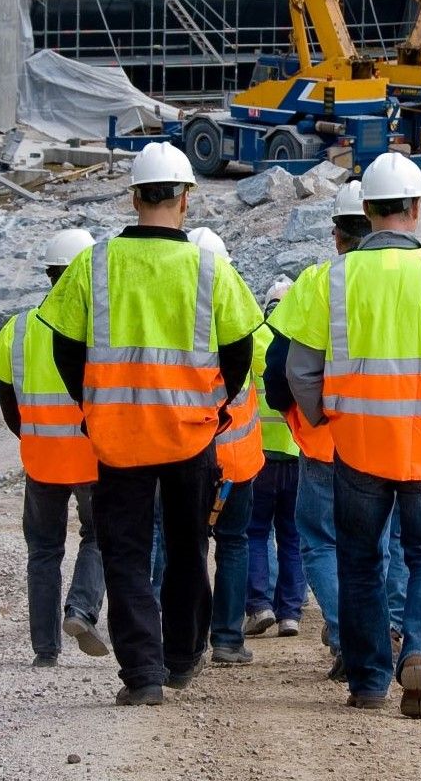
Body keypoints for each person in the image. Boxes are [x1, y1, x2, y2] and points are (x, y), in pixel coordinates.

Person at [274, 153, 421, 719]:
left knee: (358, 561)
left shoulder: (330, 278)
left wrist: (320, 418)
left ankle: (367, 680)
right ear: (415, 207)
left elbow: (299, 370)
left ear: (367, 209)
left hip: (356, 449)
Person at [40, 142, 262, 707]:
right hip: (190, 434)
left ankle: (142, 673)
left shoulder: (93, 262)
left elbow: (64, 346)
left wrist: (92, 407)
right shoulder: (209, 266)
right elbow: (239, 349)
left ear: (134, 195)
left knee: (126, 556)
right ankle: (182, 657)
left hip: (117, 438)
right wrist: (214, 406)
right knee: (190, 548)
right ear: (186, 198)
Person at [264, 180, 409, 682]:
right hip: (395, 438)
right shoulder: (416, 278)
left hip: (326, 442)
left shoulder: (315, 283)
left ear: (336, 235)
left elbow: (279, 364)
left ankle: (350, 635)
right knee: (385, 540)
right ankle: (386, 626)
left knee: (322, 542)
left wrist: (301, 416)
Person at [0, 227, 108, 668]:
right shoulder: (98, 328)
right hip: (94, 458)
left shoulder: (19, 328)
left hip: (41, 459)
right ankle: (81, 610)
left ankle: (45, 649)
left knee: (43, 552)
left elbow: (6, 397)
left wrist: (32, 435)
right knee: (100, 537)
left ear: (50, 273)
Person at [189, 227, 261, 667]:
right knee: (233, 543)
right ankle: (228, 640)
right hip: (237, 463)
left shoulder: (178, 318)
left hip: (189, 455)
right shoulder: (236, 313)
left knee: (188, 545)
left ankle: (189, 639)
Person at [245, 278, 307, 639]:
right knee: (292, 536)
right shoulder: (299, 344)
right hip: (297, 455)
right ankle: (290, 613)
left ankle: (258, 605)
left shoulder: (255, 341)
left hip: (258, 458)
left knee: (255, 533)